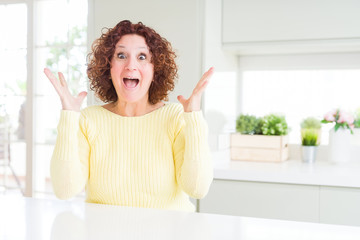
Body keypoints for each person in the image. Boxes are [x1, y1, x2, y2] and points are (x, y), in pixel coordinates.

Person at [44, 20, 214, 212]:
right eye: (121, 55)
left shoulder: (175, 117)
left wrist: (194, 119)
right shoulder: (88, 120)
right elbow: (64, 190)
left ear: (154, 70)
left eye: (142, 57)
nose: (131, 65)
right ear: (109, 67)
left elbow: (197, 189)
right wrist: (68, 118)